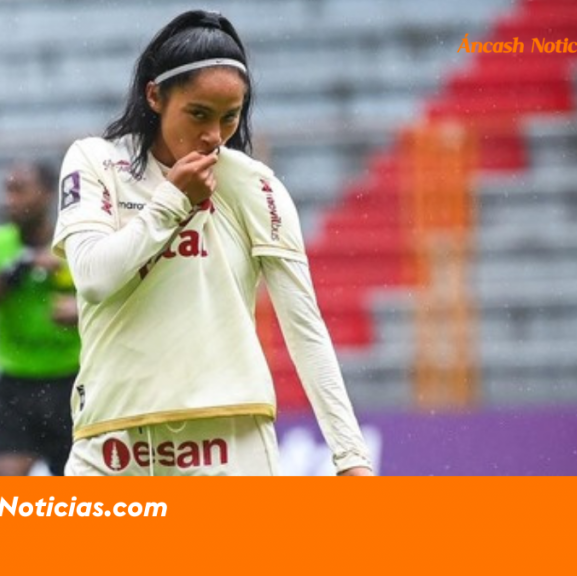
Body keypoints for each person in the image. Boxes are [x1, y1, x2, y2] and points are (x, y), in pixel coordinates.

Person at [53, 10, 373, 476]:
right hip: (112, 444)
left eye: (229, 118)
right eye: (199, 114)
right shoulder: (96, 161)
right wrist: (172, 201)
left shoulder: (256, 186)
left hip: (229, 442)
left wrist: (351, 457)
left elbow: (304, 326)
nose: (213, 136)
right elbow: (94, 278)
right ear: (154, 95)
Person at [0, 161, 80, 476]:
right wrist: (19, 266)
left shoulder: (76, 241)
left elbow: (115, 302)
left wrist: (82, 310)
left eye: (19, 190)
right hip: (16, 386)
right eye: (6, 190)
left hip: (71, 385)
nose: (9, 200)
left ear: (47, 193)